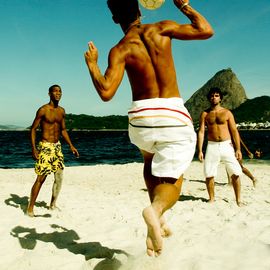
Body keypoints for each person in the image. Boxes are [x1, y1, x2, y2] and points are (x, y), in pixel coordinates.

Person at [84, 0, 213, 256]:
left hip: (140, 118)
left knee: (149, 160)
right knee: (174, 179)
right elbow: (205, 30)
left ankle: (156, 219)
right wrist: (184, 6)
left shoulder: (119, 49)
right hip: (171, 114)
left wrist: (92, 65)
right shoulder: (161, 28)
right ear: (141, 10)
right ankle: (155, 211)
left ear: (114, 19)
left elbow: (106, 92)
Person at [27, 85, 79, 217]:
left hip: (57, 147)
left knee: (59, 177)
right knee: (41, 178)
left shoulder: (61, 111)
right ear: (49, 94)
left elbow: (63, 130)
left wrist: (71, 146)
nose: (58, 93)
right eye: (55, 91)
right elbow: (33, 129)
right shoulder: (43, 110)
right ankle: (30, 208)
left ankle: (52, 204)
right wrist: (34, 149)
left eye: (60, 91)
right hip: (45, 147)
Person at [197, 87, 243, 206]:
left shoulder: (227, 113)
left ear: (220, 98)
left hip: (226, 145)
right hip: (212, 146)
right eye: (212, 96)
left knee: (236, 172)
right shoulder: (205, 114)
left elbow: (234, 131)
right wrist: (200, 150)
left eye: (216, 95)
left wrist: (238, 149)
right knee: (209, 173)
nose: (214, 97)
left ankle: (238, 200)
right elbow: (201, 132)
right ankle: (211, 199)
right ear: (209, 98)